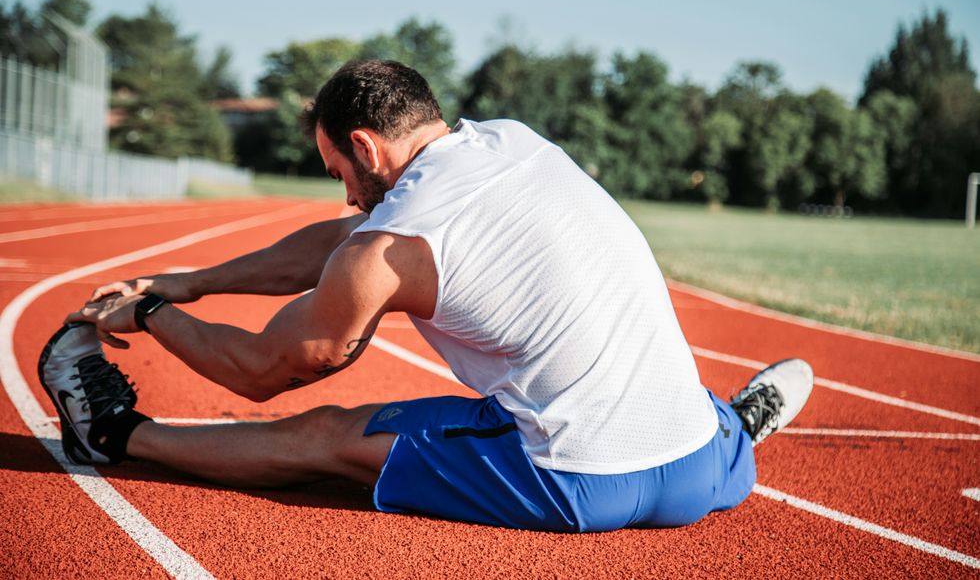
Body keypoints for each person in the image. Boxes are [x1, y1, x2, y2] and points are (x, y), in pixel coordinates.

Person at [39, 60, 813, 532]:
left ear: (367, 149)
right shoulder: (510, 140)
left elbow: (263, 368)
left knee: (324, 436)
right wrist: (193, 281)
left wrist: (150, 311)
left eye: (338, 172)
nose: (343, 194)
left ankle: (114, 436)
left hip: (574, 477)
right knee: (645, 370)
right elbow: (344, 242)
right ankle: (735, 429)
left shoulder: (386, 246)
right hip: (696, 470)